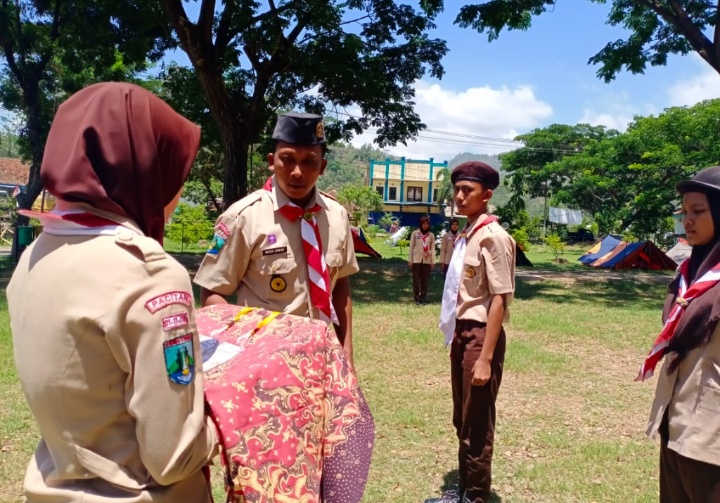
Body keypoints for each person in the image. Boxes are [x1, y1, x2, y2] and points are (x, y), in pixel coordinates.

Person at [7, 83, 218, 502]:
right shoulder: (150, 276)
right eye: (174, 171)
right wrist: (233, 416)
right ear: (146, 172)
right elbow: (172, 456)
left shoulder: (36, 256)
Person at [193, 111, 358, 365]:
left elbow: (341, 287)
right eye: (287, 159)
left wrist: (346, 355)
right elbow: (213, 292)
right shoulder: (243, 218)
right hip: (263, 364)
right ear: (272, 161)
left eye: (309, 162)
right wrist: (243, 351)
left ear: (323, 167)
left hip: (323, 360)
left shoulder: (336, 216)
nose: (297, 172)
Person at [432, 161, 516, 503]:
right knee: (462, 418)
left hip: (481, 336)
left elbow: (499, 299)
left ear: (487, 195)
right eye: (457, 189)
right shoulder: (469, 233)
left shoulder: (494, 237)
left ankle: (476, 497)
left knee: (477, 424)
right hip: (462, 333)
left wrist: (485, 357)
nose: (460, 195)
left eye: (469, 190)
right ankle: (464, 490)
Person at [641, 166, 720, 502]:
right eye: (684, 212)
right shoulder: (687, 272)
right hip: (675, 418)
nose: (688, 220)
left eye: (699, 211)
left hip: (711, 433)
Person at [408, 215, 436, 304]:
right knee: (416, 280)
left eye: (427, 224)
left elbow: (433, 248)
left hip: (427, 260)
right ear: (421, 224)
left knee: (425, 281)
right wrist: (410, 260)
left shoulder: (431, 235)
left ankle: (423, 297)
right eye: (424, 224)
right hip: (416, 260)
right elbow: (411, 247)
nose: (425, 225)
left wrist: (433, 261)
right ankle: (416, 298)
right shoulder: (415, 234)